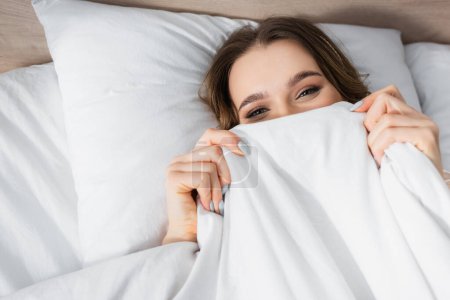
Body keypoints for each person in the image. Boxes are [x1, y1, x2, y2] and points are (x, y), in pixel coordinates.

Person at [161, 17, 443, 245]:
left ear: (345, 92)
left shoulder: (400, 170)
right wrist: (182, 232)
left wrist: (430, 179)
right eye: (258, 112)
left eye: (307, 91)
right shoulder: (233, 209)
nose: (289, 119)